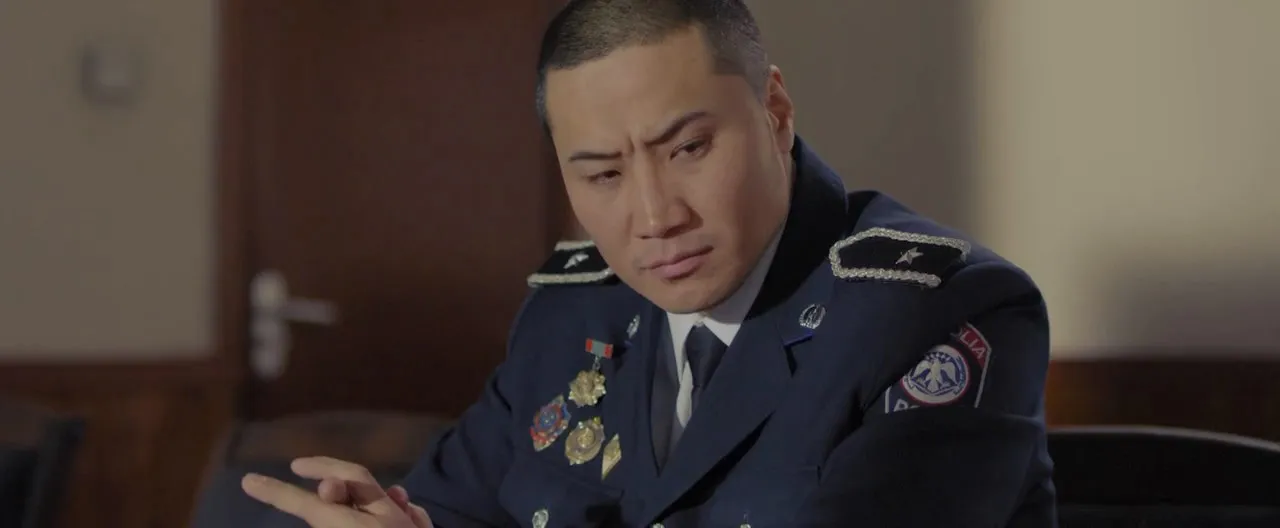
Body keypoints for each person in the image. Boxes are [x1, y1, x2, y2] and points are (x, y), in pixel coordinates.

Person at [241, 0, 1057, 526]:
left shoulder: (932, 313)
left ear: (774, 111)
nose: (656, 217)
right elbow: (453, 508)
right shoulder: (572, 314)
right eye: (603, 175)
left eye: (689, 149)